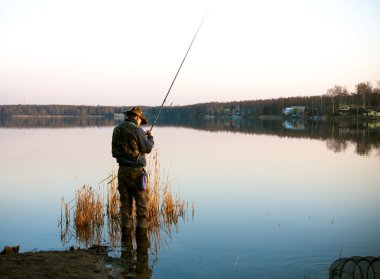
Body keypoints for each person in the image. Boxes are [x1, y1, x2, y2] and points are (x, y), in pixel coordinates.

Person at [112, 107, 154, 235]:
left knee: (125, 206)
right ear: (136, 117)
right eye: (141, 119)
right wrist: (150, 138)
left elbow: (114, 153)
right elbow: (147, 148)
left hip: (122, 171)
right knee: (142, 206)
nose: (141, 122)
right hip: (137, 173)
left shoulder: (117, 130)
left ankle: (125, 243)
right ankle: (142, 242)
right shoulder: (137, 130)